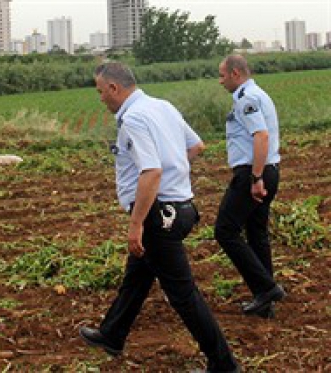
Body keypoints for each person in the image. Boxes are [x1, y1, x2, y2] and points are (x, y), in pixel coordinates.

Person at [78, 63, 239, 372]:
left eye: (101, 92)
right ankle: (112, 334)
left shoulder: (134, 118)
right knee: (137, 277)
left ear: (114, 88)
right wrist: (175, 170)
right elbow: (196, 146)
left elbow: (151, 171)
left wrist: (136, 223)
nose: (101, 99)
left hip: (158, 216)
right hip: (182, 209)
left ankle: (224, 364)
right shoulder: (162, 106)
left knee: (183, 295)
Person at [215, 55, 284, 318]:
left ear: (235, 73)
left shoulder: (247, 99)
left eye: (222, 75)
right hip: (267, 169)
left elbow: (261, 136)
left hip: (253, 173)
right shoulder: (257, 94)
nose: (220, 81)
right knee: (256, 233)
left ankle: (266, 288)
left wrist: (256, 178)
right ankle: (264, 301)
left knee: (225, 230)